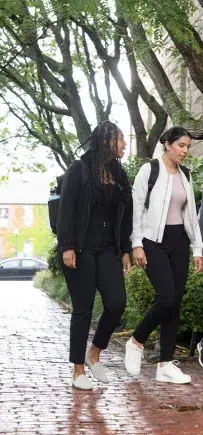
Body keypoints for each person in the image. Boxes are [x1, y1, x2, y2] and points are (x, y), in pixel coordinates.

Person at [57, 121, 132, 390]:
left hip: (108, 249)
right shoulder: (80, 169)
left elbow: (125, 217)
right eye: (120, 139)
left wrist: (124, 250)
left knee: (116, 302)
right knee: (83, 309)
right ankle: (78, 370)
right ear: (105, 142)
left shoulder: (119, 174)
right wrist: (67, 245)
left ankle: (95, 352)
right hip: (80, 248)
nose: (124, 144)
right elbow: (66, 210)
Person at [125, 127, 203, 384]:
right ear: (167, 144)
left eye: (188, 146)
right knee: (166, 297)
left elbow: (190, 215)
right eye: (181, 145)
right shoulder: (150, 170)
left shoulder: (186, 175)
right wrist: (136, 243)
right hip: (152, 242)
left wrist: (197, 248)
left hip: (179, 242)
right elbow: (135, 208)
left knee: (175, 302)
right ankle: (136, 340)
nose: (185, 150)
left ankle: (165, 364)